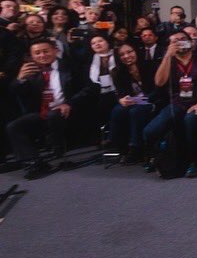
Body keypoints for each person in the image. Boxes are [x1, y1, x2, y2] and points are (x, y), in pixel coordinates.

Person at [3, 39, 91, 179]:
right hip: (42, 113)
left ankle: (58, 149)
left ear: (55, 50)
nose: (42, 55)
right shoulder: (30, 71)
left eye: (45, 51)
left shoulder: (71, 67)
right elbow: (16, 93)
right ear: (32, 56)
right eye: (37, 53)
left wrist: (69, 103)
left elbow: (88, 88)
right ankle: (34, 161)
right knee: (14, 126)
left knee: (53, 115)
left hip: (68, 112)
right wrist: (20, 79)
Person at [145, 31, 197, 178]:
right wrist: (167, 56)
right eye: (175, 41)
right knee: (150, 131)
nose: (179, 42)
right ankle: (158, 157)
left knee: (190, 120)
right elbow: (159, 82)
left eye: (183, 39)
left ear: (191, 42)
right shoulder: (169, 61)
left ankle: (195, 162)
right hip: (178, 103)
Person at [108, 42, 158, 164]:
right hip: (134, 102)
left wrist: (137, 100)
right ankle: (119, 146)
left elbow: (158, 90)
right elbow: (120, 93)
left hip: (153, 100)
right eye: (122, 54)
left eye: (129, 52)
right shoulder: (118, 72)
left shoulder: (150, 65)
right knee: (118, 110)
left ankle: (135, 147)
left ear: (136, 51)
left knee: (136, 111)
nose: (126, 56)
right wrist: (121, 99)